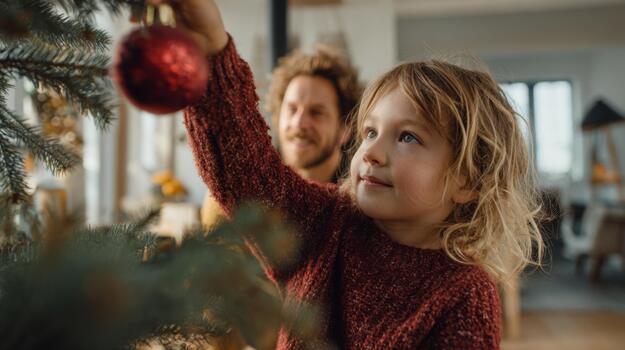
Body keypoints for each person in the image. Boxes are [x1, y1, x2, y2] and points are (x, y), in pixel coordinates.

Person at [158, 0, 544, 348]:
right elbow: (247, 173)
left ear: (468, 181)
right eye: (370, 132)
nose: (372, 152)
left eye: (408, 137)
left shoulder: (464, 294)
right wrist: (209, 47)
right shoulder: (326, 221)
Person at [201, 40, 362, 227]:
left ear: (345, 129)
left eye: (316, 112)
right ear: (277, 117)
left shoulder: (359, 205)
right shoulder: (233, 192)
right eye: (292, 109)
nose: (299, 123)